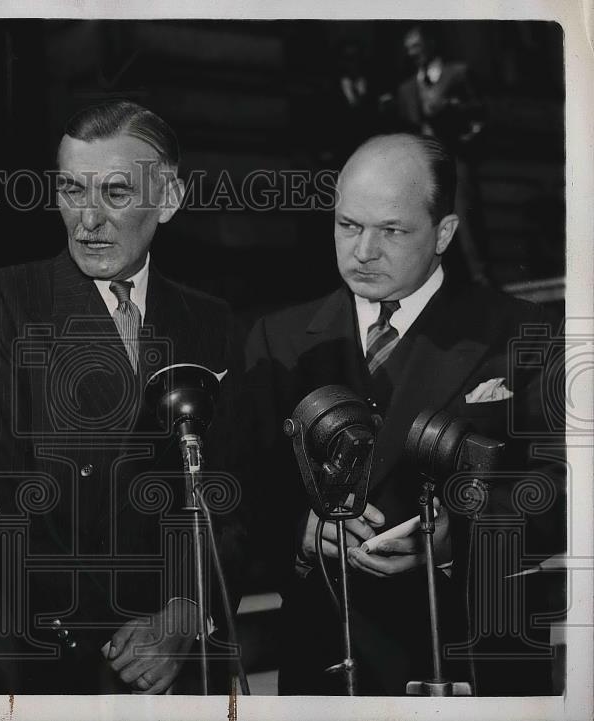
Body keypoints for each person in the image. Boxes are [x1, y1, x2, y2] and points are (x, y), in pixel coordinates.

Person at [241, 133, 564, 695]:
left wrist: (454, 536)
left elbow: (565, 490)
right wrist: (301, 531)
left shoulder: (523, 332)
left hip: (472, 662)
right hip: (329, 666)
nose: (363, 251)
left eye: (391, 230)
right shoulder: (279, 340)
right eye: (348, 226)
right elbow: (241, 493)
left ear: (444, 233)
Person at [0, 100, 245, 694]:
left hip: (176, 659)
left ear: (169, 200)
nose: (88, 220)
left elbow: (227, 493)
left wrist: (182, 613)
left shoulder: (210, 321)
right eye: (71, 190)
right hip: (55, 654)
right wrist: (105, 634)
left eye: (114, 192)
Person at [397, 24, 490, 286]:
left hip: (456, 162)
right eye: (408, 49)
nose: (412, 53)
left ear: (431, 44)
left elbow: (480, 116)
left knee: (468, 226)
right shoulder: (406, 90)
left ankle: (482, 284)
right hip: (424, 172)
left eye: (416, 46)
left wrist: (455, 112)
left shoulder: (458, 74)